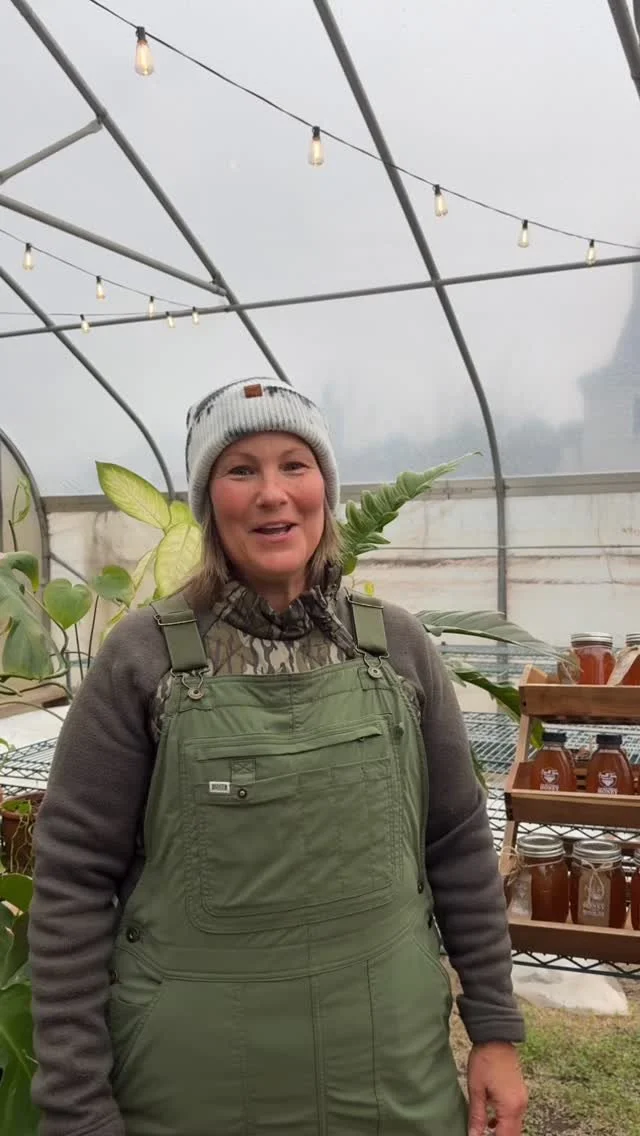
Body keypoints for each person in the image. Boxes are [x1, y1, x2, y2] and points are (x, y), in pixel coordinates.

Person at [29, 377, 528, 1136]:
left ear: (325, 486)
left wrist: (494, 1029)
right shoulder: (142, 660)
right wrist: (75, 1106)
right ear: (209, 500)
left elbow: (458, 842)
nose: (273, 493)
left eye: (295, 464)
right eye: (241, 470)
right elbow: (72, 881)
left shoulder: (396, 647)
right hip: (191, 1088)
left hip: (390, 1075)